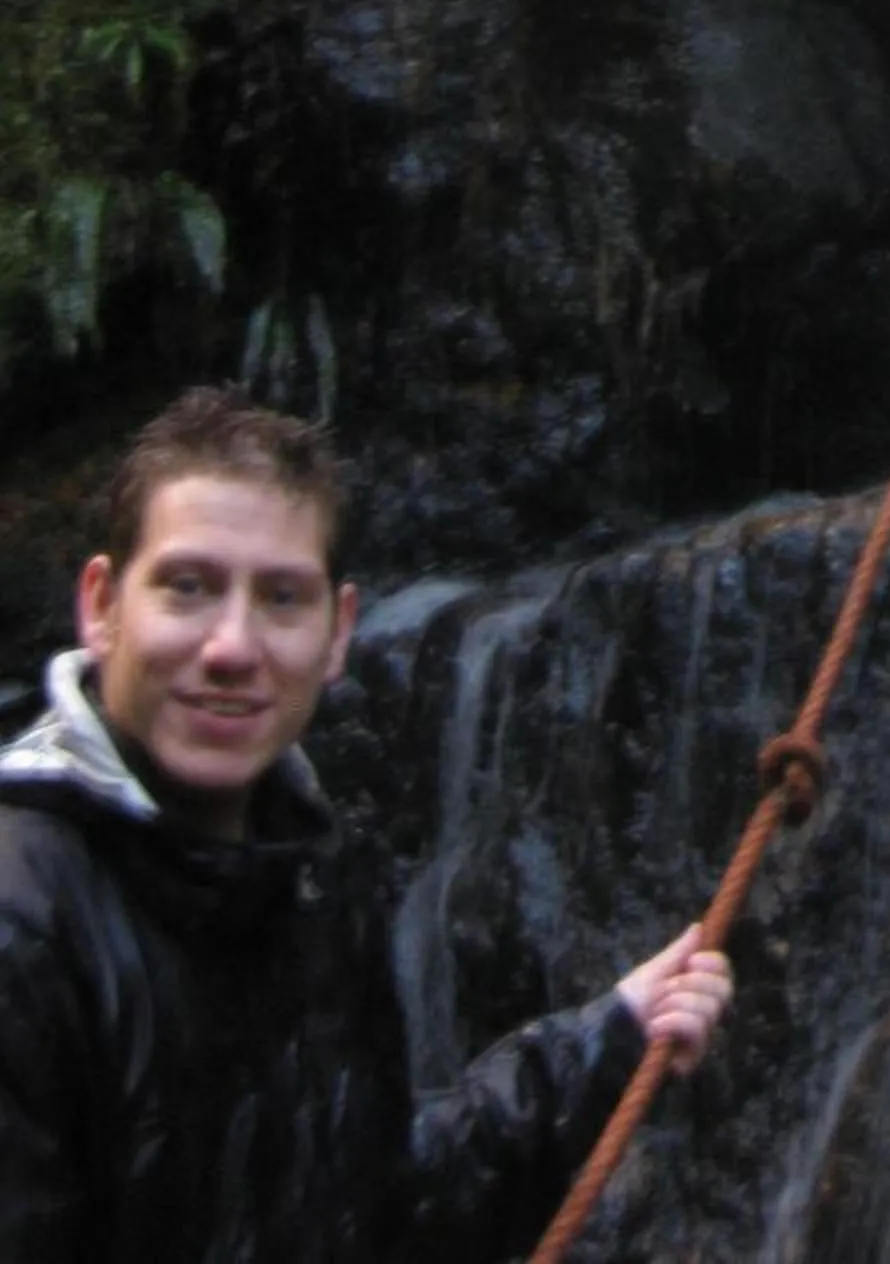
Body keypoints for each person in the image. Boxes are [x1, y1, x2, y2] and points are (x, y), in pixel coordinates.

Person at [0, 385, 734, 1261]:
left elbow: (379, 1211)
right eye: (189, 587)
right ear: (102, 606)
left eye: (281, 598)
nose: (233, 647)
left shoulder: (316, 884)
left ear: (337, 630)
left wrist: (605, 1042)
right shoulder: (25, 923)